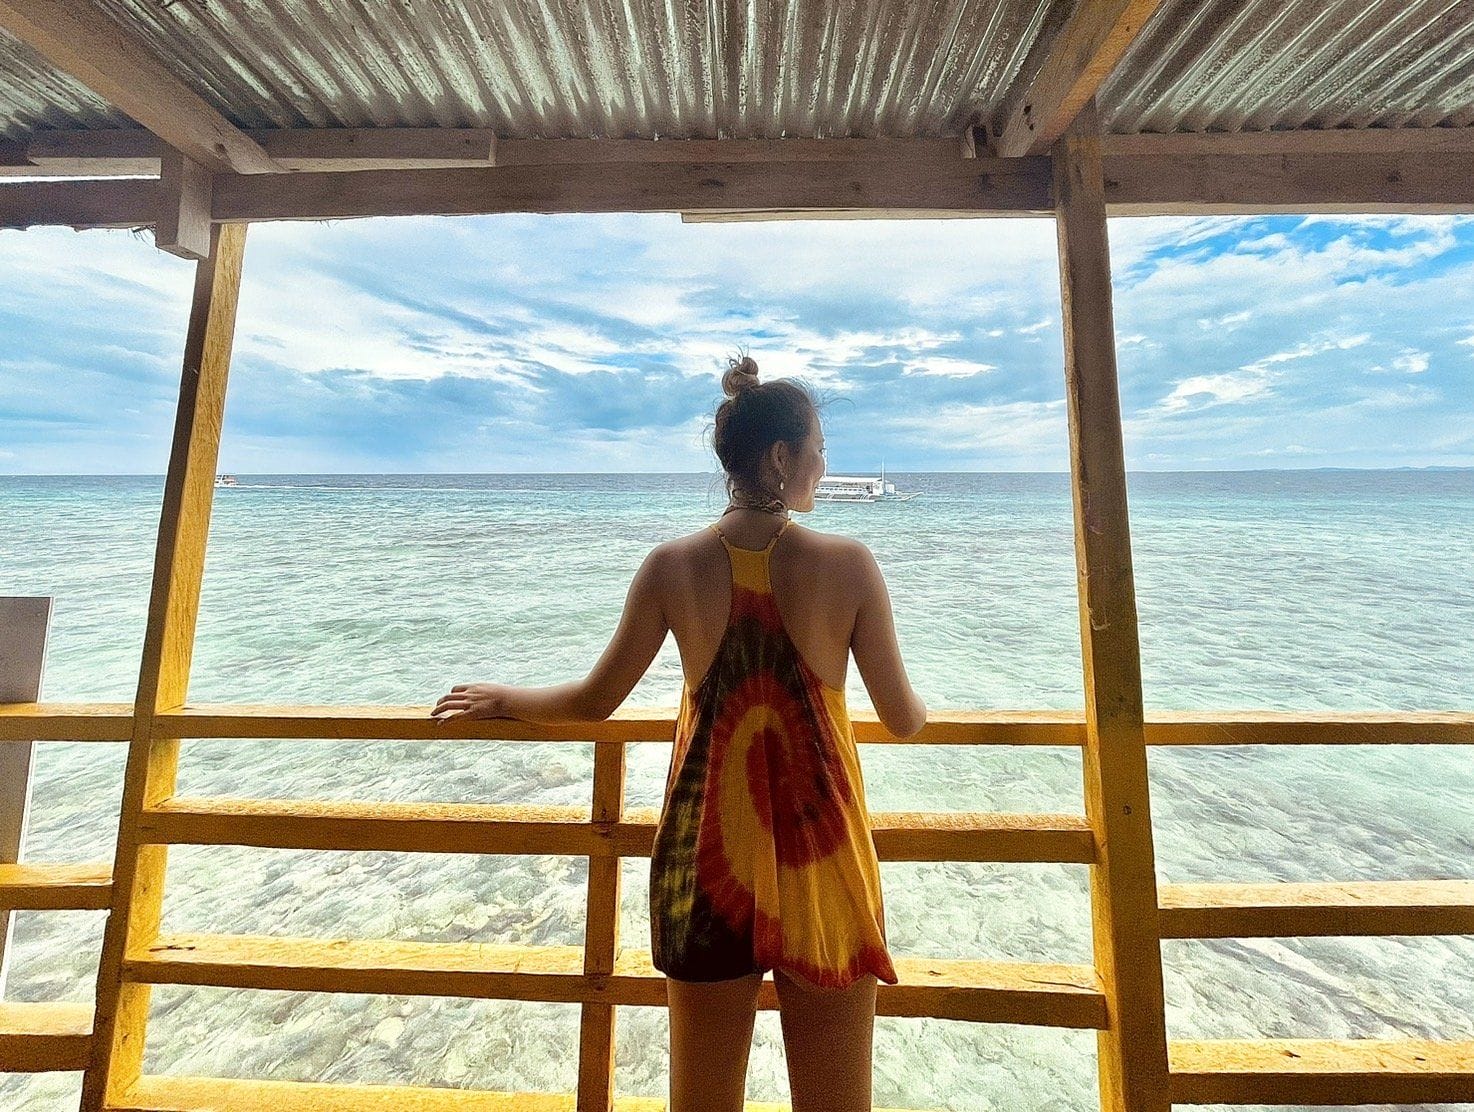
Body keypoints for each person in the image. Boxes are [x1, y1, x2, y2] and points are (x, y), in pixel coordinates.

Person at [432, 354, 926, 1111]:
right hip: (821, 860)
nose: (826, 465)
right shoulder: (849, 565)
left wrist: (505, 698)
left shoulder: (671, 566)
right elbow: (901, 717)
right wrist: (921, 703)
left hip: (708, 862)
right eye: (820, 448)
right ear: (781, 456)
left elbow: (595, 699)